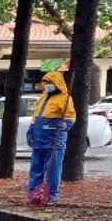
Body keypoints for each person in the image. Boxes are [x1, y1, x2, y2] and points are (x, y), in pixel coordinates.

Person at [27, 70, 75, 207]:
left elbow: (70, 117)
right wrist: (31, 130)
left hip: (54, 139)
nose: (47, 85)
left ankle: (52, 195)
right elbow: (36, 116)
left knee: (53, 169)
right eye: (46, 82)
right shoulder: (43, 98)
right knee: (36, 168)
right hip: (39, 140)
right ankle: (34, 192)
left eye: (50, 83)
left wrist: (65, 124)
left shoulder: (65, 99)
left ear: (57, 84)